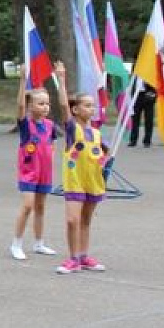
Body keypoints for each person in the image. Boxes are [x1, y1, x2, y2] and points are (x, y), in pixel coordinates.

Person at [52, 61, 110, 275]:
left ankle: (84, 256)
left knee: (85, 220)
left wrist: (106, 160)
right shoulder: (71, 128)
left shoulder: (96, 133)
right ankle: (72, 258)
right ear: (76, 110)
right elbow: (63, 106)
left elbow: (101, 155)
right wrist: (62, 79)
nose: (91, 109)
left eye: (93, 105)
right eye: (87, 105)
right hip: (74, 180)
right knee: (72, 219)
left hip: (93, 181)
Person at [10, 65, 59, 260]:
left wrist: (50, 157)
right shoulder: (25, 125)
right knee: (28, 205)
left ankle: (39, 242)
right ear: (30, 106)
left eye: (47, 104)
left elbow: (51, 144)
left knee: (40, 207)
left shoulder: (49, 125)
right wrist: (23, 80)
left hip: (44, 173)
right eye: (40, 104)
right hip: (29, 172)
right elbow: (20, 107)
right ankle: (16, 243)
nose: (45, 107)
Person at [129, 83, 157, 147]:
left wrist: (153, 94)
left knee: (149, 119)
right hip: (137, 95)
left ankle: (147, 141)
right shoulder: (135, 73)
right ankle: (133, 140)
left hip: (148, 95)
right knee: (135, 118)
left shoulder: (149, 73)